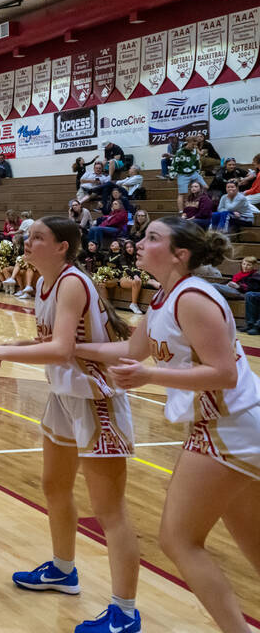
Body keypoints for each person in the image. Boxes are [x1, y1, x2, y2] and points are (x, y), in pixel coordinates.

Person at [0, 216, 141, 633]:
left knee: (110, 510)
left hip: (96, 399)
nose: (28, 241)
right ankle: (63, 570)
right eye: (28, 235)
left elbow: (61, 350)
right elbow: (52, 343)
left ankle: (126, 613)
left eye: (38, 237)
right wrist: (11, 345)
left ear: (62, 246)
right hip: (64, 394)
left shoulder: (72, 282)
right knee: (54, 486)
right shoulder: (44, 283)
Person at [79, 217, 260, 632]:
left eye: (152, 238)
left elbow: (223, 373)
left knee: (178, 540)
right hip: (229, 426)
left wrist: (151, 377)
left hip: (228, 425)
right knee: (254, 547)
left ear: (181, 254)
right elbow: (130, 348)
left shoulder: (193, 297)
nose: (139, 243)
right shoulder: (165, 296)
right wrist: (67, 347)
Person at [119, 239, 159, 316]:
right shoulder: (122, 257)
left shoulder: (138, 257)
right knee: (137, 281)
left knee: (155, 283)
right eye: (127, 247)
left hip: (139, 278)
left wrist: (151, 278)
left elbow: (144, 270)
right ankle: (134, 304)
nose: (129, 249)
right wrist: (134, 275)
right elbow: (126, 269)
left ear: (134, 247)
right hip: (125, 278)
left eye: (131, 247)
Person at [173, 138, 208, 209]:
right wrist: (172, 176)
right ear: (188, 142)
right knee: (182, 194)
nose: (195, 146)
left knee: (205, 187)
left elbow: (197, 162)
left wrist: (198, 172)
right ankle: (181, 212)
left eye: (196, 145)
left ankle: (201, 205)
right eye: (193, 144)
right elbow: (174, 163)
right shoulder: (180, 152)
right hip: (182, 174)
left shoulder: (195, 151)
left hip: (193, 173)